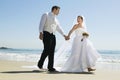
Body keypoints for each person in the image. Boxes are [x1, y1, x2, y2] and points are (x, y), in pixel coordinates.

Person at [38, 5, 68, 72]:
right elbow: (41, 24)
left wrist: (64, 35)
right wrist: (40, 32)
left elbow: (59, 28)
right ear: (54, 9)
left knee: (52, 51)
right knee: (46, 50)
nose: (59, 12)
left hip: (53, 36)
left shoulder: (56, 19)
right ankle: (40, 64)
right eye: (58, 10)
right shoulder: (46, 14)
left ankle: (50, 67)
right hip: (46, 34)